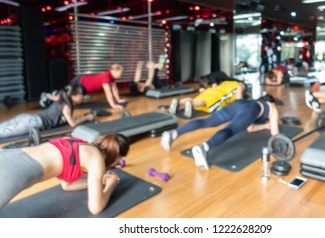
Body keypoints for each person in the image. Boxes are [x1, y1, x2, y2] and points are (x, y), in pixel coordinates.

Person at [0, 133, 130, 214]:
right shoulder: (97, 160)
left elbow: (67, 186)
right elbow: (95, 208)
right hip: (12, 173)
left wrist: (100, 181)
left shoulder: (77, 142)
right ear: (116, 156)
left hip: (10, 155)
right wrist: (110, 186)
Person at [161, 94, 280, 170]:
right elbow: (275, 135)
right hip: (249, 110)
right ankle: (204, 147)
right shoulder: (273, 109)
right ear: (273, 103)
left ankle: (173, 133)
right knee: (230, 130)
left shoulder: (255, 103)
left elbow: (250, 128)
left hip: (238, 104)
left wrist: (264, 126)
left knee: (207, 121)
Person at [0, 85, 94, 140]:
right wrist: (87, 118)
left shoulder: (62, 99)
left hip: (29, 118)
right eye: (81, 94)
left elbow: (72, 119)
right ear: (74, 95)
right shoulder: (66, 106)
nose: (82, 96)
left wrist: (87, 117)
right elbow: (72, 123)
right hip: (32, 123)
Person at [40, 63, 127, 110]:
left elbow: (114, 89)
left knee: (77, 102)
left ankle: (56, 94)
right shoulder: (106, 76)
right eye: (121, 73)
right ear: (115, 71)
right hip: (80, 82)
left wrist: (118, 99)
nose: (122, 75)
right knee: (66, 99)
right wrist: (113, 105)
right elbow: (108, 93)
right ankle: (47, 96)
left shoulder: (111, 77)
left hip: (83, 86)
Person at [168, 80, 246, 118]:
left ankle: (179, 101)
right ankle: (191, 104)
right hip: (219, 95)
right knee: (206, 103)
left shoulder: (227, 82)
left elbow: (215, 85)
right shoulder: (240, 85)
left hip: (211, 90)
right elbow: (239, 98)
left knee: (197, 100)